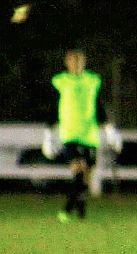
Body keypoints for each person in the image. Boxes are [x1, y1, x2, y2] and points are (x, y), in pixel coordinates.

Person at [46, 48, 119, 222]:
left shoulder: (93, 81)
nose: (77, 64)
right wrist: (48, 134)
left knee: (87, 176)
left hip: (90, 133)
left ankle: (79, 211)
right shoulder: (60, 81)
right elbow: (52, 107)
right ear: (67, 63)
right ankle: (67, 210)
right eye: (73, 61)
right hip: (70, 133)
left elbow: (99, 106)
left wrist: (109, 129)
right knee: (79, 169)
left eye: (79, 61)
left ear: (84, 63)